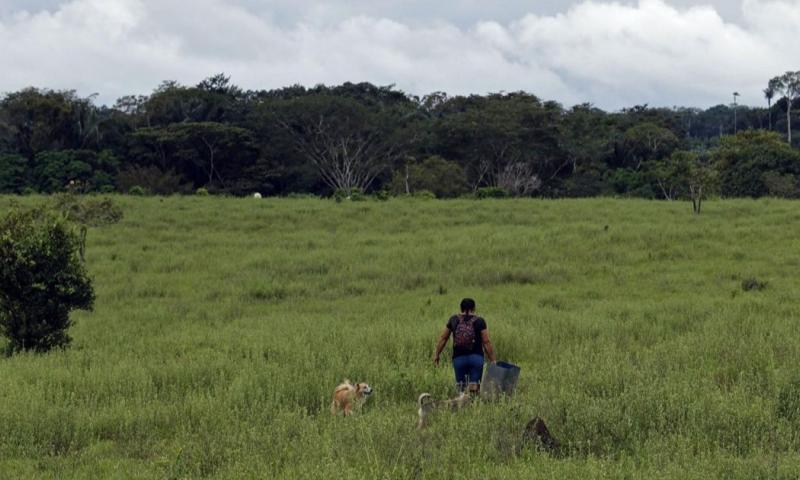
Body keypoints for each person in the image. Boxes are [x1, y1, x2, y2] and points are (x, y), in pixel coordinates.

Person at [433, 298, 496, 394]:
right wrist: (493, 360)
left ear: (461, 308)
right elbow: (486, 342)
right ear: (474, 308)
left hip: (459, 359)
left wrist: (437, 354)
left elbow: (443, 338)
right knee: (474, 387)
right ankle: (473, 405)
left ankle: (462, 405)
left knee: (461, 388)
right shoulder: (480, 321)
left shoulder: (453, 319)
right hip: (476, 358)